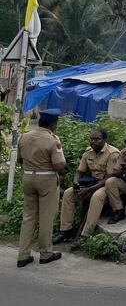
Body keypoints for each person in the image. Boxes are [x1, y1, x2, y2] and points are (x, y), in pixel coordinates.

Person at [16, 109, 66, 268]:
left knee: (28, 217)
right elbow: (58, 165)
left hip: (28, 177)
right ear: (53, 124)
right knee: (46, 217)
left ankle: (23, 255)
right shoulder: (53, 140)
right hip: (47, 179)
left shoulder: (24, 136)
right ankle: (45, 253)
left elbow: (19, 161)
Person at [53, 130, 119, 245]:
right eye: (92, 139)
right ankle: (66, 230)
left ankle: (85, 235)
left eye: (97, 139)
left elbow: (108, 179)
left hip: (107, 184)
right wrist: (76, 183)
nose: (93, 142)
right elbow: (80, 171)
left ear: (104, 140)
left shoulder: (113, 153)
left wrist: (88, 190)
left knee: (96, 197)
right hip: (92, 182)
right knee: (69, 193)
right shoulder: (88, 151)